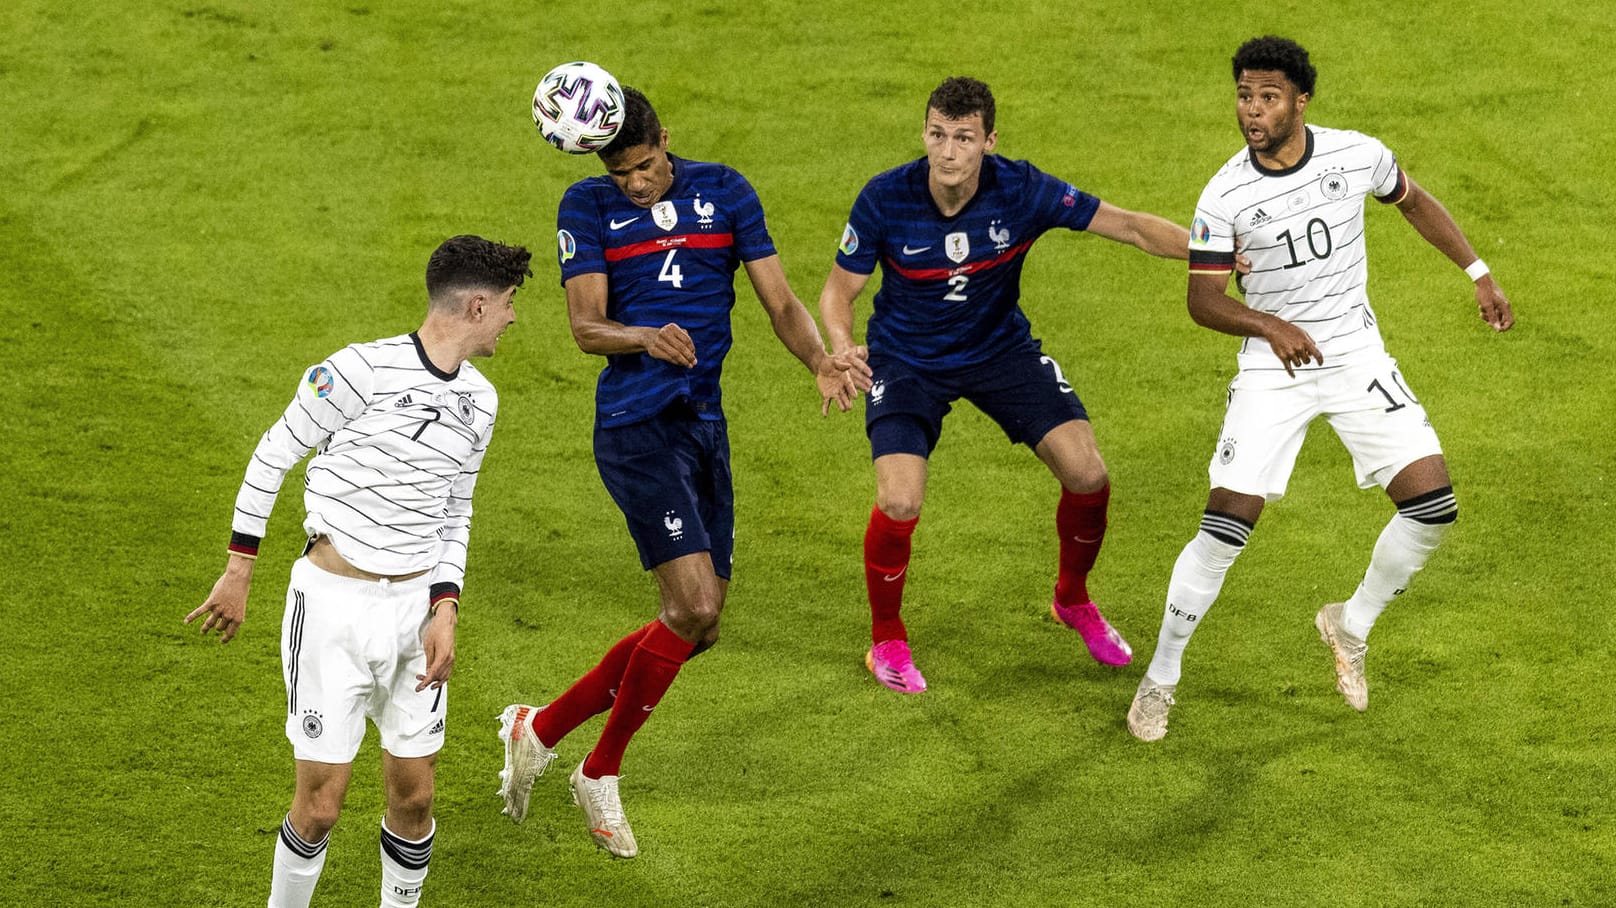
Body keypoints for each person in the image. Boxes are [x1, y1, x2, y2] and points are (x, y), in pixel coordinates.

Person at [496, 86, 859, 858]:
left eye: (647, 165)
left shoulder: (725, 191)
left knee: (701, 627)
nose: (636, 182)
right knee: (690, 605)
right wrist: (644, 337)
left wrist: (819, 361)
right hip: (635, 429)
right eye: (622, 171)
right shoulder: (585, 208)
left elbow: (781, 301)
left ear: (667, 139)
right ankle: (598, 772)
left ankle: (543, 726)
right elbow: (585, 327)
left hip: (703, 428)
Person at [1126, 36, 1514, 742]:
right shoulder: (1224, 195)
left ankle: (1350, 623)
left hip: (1354, 353)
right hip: (1273, 369)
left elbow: (1414, 200)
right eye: (1244, 95)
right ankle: (1161, 677)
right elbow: (1203, 300)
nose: (1252, 110)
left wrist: (1478, 273)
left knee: (1432, 504)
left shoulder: (1355, 154)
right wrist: (1269, 325)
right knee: (1226, 525)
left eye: (1268, 96)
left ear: (1301, 101)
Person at [185, 235, 533, 907]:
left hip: (413, 614)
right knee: (320, 805)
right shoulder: (355, 372)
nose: (515, 318)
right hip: (331, 611)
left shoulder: (481, 402)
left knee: (416, 793)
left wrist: (445, 607)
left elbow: (455, 511)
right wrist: (239, 569)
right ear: (480, 306)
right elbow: (272, 454)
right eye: (511, 304)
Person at [817, 76, 1193, 694]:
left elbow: (1127, 226)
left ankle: (1071, 599)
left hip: (999, 351)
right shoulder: (885, 198)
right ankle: (886, 637)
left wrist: (1211, 251)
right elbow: (839, 292)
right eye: (937, 134)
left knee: (1088, 472)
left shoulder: (1022, 189)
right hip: (907, 361)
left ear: (988, 141)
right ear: (925, 134)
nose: (947, 151)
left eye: (963, 138)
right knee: (899, 501)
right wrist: (840, 345)